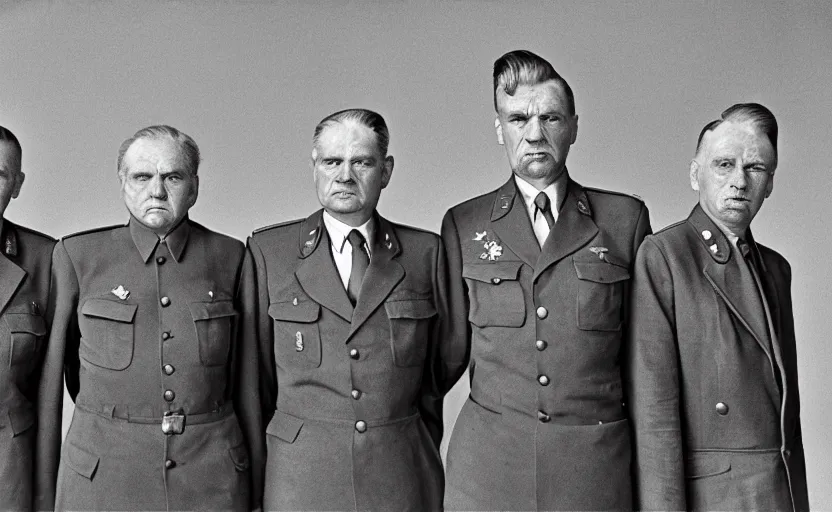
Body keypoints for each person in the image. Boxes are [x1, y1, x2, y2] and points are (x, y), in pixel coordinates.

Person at [441, 49, 651, 510]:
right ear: (499, 129)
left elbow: (645, 365)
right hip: (489, 472)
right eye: (518, 119)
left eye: (550, 117)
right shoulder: (463, 224)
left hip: (594, 470)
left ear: (574, 126)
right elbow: (440, 361)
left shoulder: (623, 220)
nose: (534, 133)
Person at [240, 108, 464, 510]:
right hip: (301, 478)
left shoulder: (425, 253)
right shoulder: (268, 253)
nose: (344, 175)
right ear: (315, 168)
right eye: (331, 162)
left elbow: (444, 363)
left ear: (387, 170)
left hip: (399, 472)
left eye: (361, 162)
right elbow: (254, 381)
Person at [36, 125, 260, 510]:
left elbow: (247, 383)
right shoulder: (77, 257)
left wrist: (257, 490)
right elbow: (56, 381)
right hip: (103, 477)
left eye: (172, 176)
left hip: (212, 478)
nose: (156, 190)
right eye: (142, 176)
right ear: (122, 183)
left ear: (194, 187)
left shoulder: (232, 257)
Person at [627, 103, 809, 510]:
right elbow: (655, 418)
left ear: (771, 182)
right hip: (714, 498)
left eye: (755, 168)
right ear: (696, 174)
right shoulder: (666, 256)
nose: (739, 181)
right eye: (724, 165)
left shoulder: (777, 270)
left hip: (777, 496)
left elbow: (786, 425)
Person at [0, 126, 55, 511]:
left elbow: (60, 385)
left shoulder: (46, 260)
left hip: (9, 474)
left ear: (17, 184)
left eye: (0, 174)